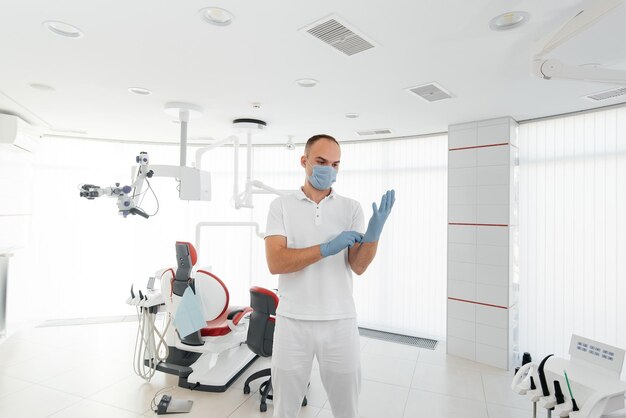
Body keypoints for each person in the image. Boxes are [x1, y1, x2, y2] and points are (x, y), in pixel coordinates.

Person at [264, 134, 395, 418]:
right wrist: (325, 249)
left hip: (339, 322)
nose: (329, 169)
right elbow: (276, 262)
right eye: (321, 162)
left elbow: (358, 266)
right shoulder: (281, 206)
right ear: (304, 161)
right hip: (293, 321)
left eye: (335, 164)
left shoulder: (351, 208)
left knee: (346, 409)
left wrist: (373, 237)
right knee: (284, 409)